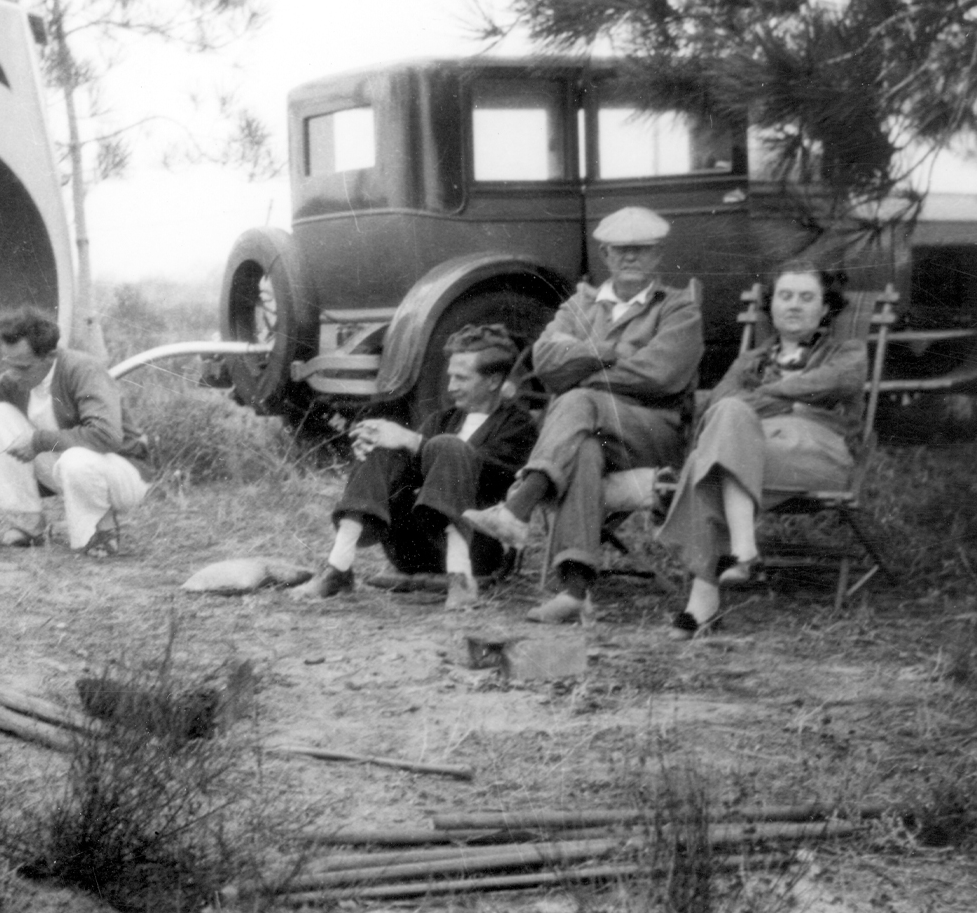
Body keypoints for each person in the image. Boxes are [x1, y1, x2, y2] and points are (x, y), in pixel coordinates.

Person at [462, 206, 702, 624]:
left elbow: (661, 374)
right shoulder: (580, 306)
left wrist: (584, 376)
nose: (630, 258)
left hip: (653, 432)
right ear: (605, 255)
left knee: (575, 401)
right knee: (585, 451)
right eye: (620, 251)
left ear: (658, 257)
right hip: (585, 433)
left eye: (641, 251)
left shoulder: (679, 309)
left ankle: (517, 508)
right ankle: (574, 592)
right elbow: (545, 359)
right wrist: (610, 353)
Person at [655, 263, 866, 638]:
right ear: (771, 307)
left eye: (807, 297)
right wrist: (782, 398)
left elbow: (836, 381)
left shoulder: (846, 352)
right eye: (785, 296)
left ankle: (705, 597)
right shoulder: (750, 360)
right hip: (754, 449)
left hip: (817, 450)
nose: (795, 306)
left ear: (825, 308)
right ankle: (741, 552)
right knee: (729, 419)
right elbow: (716, 406)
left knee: (712, 459)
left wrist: (765, 396)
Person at [291, 324, 537, 610]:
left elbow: (496, 475)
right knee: (384, 445)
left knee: (448, 446)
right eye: (450, 377)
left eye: (461, 378)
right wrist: (376, 448)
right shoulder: (443, 419)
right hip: (412, 547)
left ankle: (461, 579)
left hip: (478, 549)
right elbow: (410, 467)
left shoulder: (518, 426)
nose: (450, 386)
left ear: (493, 381)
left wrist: (415, 440)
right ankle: (338, 567)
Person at [0, 306, 152, 556]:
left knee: (75, 459)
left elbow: (105, 436)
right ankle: (30, 524)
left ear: (51, 355)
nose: (13, 375)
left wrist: (38, 441)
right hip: (70, 468)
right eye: (8, 364)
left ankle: (102, 531)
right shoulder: (15, 379)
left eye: (23, 367)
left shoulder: (83, 370)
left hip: (122, 473)